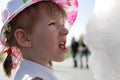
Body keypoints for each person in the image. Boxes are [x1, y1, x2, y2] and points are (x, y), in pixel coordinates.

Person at [0, 0, 78, 80]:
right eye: (52, 23)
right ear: (24, 38)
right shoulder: (36, 78)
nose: (66, 31)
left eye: (63, 24)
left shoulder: (33, 72)